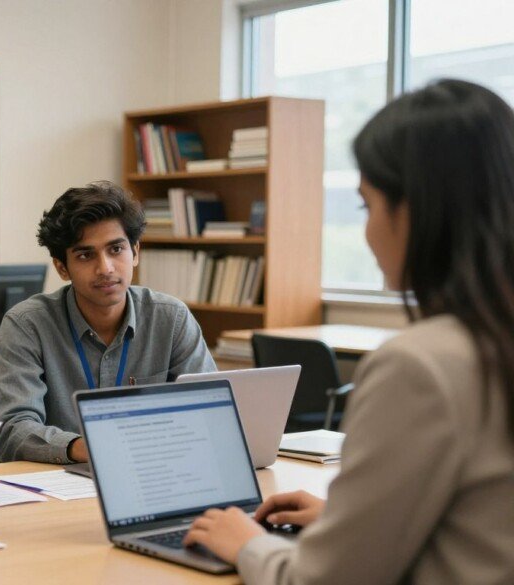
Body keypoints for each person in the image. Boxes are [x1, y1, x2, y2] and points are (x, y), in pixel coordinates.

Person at [183, 79, 514, 583]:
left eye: (367, 205)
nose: (367, 230)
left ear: (416, 212)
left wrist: (248, 545)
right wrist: (347, 522)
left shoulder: (420, 366)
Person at [0, 181, 216, 464]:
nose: (105, 268)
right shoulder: (27, 325)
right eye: (86, 255)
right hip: (62, 485)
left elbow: (210, 411)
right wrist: (84, 448)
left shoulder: (170, 318)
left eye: (116, 249)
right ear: (62, 268)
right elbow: (12, 430)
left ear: (135, 252)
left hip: (155, 471)